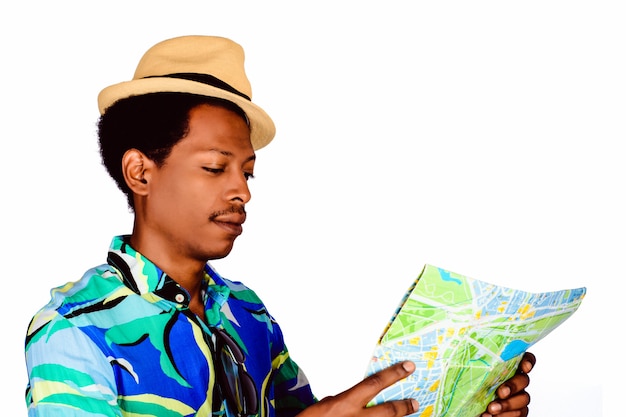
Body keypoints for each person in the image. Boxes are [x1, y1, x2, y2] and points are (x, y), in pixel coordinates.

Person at [24, 35, 535, 417]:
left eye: (246, 172)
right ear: (140, 171)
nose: (241, 191)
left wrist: (463, 399)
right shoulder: (74, 327)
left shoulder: (248, 312)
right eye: (214, 167)